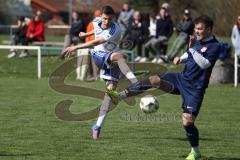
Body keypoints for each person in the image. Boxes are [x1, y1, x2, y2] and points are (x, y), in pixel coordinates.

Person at [107, 15, 222, 160]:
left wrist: (191, 50)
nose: (196, 31)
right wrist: (182, 57)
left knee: (187, 121)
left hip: (195, 89)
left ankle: (196, 152)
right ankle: (119, 96)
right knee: (153, 79)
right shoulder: (197, 41)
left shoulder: (216, 46)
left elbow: (204, 64)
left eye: (200, 29)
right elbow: (191, 53)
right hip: (181, 79)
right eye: (195, 28)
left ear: (209, 29)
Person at [63, 5, 138, 140]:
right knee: (121, 57)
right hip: (99, 55)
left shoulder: (115, 30)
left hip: (111, 57)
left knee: (109, 96)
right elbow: (97, 34)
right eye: (104, 18)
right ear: (101, 16)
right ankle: (135, 82)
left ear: (113, 18)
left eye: (109, 19)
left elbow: (98, 40)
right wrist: (86, 34)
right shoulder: (97, 21)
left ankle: (97, 126)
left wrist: (75, 46)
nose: (106, 22)